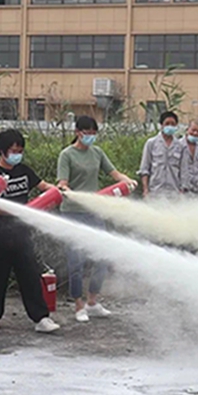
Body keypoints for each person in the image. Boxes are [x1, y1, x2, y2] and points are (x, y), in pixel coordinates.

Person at [57, 115, 137, 323]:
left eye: (94, 133)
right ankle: (78, 305)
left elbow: (114, 173)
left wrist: (127, 181)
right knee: (76, 260)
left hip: (93, 211)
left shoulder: (97, 153)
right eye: (87, 133)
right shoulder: (67, 155)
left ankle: (92, 301)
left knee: (103, 255)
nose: (91, 137)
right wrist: (67, 191)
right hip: (72, 212)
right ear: (77, 132)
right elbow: (62, 183)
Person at [0, 129, 60, 333]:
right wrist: (15, 211)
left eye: (20, 150)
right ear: (2, 151)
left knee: (30, 274)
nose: (17, 154)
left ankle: (41, 318)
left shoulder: (24, 170)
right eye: (13, 151)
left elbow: (42, 185)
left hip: (21, 232)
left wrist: (55, 191)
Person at [138, 111, 183, 198]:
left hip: (174, 193)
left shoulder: (180, 146)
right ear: (161, 125)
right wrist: (145, 189)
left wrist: (182, 190)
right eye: (167, 123)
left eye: (173, 124)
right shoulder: (151, 143)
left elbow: (182, 170)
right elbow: (144, 168)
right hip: (155, 191)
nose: (170, 126)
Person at [179, 121, 198, 199]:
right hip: (181, 190)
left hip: (196, 191)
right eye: (193, 130)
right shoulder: (178, 146)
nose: (195, 133)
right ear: (187, 130)